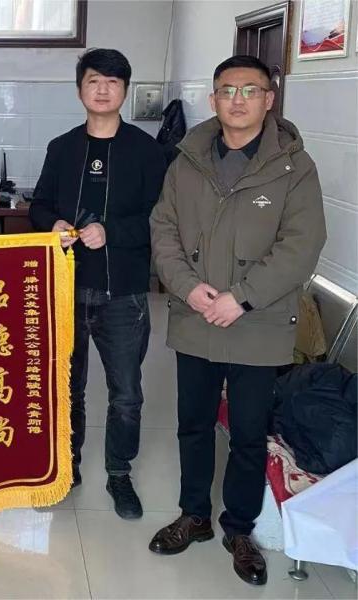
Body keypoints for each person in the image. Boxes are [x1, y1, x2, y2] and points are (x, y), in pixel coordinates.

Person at [149, 55, 326, 586]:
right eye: (228, 91)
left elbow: (302, 245)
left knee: (249, 432)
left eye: (250, 90)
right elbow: (163, 230)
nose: (238, 100)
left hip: (258, 322)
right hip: (197, 315)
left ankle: (240, 529)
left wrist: (242, 298)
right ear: (213, 99)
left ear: (269, 99)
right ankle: (194, 515)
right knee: (194, 424)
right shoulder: (186, 161)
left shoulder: (294, 166)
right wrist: (188, 286)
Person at [29, 48, 167, 519]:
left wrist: (112, 232)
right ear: (80, 90)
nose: (102, 90)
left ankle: (119, 474)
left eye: (112, 82)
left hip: (122, 292)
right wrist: (51, 223)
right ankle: (66, 467)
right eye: (93, 81)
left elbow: (160, 218)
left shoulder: (147, 151)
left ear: (125, 90)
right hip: (65, 289)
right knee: (66, 386)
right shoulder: (62, 148)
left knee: (126, 393)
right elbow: (38, 204)